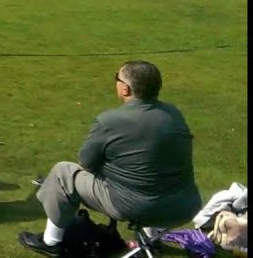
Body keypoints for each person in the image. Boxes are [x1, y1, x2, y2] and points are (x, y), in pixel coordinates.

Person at [18, 61, 202, 256]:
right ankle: (151, 239)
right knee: (154, 176)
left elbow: (86, 163)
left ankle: (50, 242)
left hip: (134, 205)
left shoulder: (110, 121)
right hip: (185, 204)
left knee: (63, 172)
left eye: (117, 78)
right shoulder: (174, 114)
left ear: (125, 88)